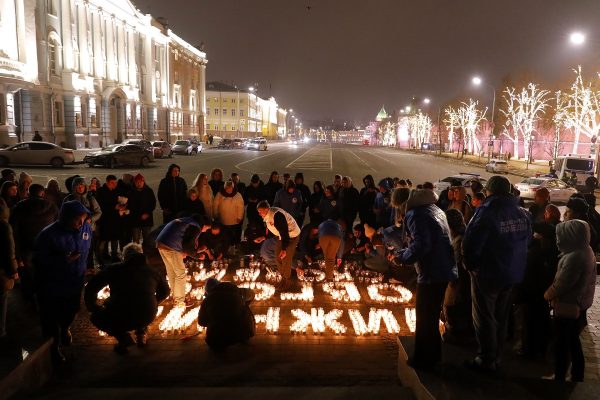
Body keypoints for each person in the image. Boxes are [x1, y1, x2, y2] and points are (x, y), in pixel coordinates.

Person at [463, 175, 531, 372]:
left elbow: (472, 243)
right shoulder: (522, 213)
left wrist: (470, 265)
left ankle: (485, 359)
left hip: (488, 272)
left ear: (489, 191)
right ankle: (496, 356)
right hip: (512, 273)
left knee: (484, 317)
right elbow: (527, 242)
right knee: (500, 316)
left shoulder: (486, 213)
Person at [389, 189, 457, 370]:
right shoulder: (434, 209)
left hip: (431, 271)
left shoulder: (415, 214)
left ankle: (423, 359)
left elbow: (422, 244)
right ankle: (433, 356)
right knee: (431, 316)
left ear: (403, 204)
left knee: (425, 317)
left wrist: (402, 258)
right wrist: (403, 253)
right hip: (444, 268)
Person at [33, 200, 93, 363]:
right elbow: (39, 262)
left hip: (75, 281)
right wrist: (63, 260)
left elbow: (87, 248)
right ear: (66, 218)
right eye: (77, 220)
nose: (81, 224)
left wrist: (85, 268)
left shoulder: (85, 228)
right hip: (53, 285)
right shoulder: (48, 235)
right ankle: (54, 351)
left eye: (84, 219)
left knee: (72, 311)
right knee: (51, 319)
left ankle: (65, 328)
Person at [84, 243, 170, 354]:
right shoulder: (153, 271)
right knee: (140, 305)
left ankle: (124, 338)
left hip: (120, 313)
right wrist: (153, 301)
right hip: (147, 315)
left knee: (96, 317)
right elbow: (166, 292)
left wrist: (92, 306)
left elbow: (92, 286)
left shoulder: (113, 269)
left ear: (124, 257)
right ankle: (141, 333)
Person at [544, 219, 596, 382]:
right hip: (576, 304)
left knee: (562, 344)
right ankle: (576, 374)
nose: (558, 239)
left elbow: (562, 284)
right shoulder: (585, 250)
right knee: (573, 341)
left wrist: (547, 294)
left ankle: (560, 376)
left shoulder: (574, 257)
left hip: (567, 305)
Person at [515, 222, 558, 359]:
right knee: (539, 321)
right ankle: (539, 348)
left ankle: (529, 350)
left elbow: (526, 275)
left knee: (530, 323)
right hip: (541, 295)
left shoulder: (535, 253)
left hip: (533, 294)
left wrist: (519, 295)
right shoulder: (552, 252)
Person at [10, 184, 58, 301]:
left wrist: (17, 256)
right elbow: (58, 227)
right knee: (45, 273)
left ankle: (29, 298)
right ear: (42, 194)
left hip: (25, 247)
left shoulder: (19, 207)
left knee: (27, 275)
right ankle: (43, 298)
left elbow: (13, 232)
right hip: (47, 247)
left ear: (29, 193)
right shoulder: (52, 207)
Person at [156, 214, 211, 307]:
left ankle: (176, 297)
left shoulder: (187, 220)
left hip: (161, 243)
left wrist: (193, 252)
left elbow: (185, 242)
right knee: (180, 274)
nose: (205, 231)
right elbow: (187, 246)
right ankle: (179, 301)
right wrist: (197, 256)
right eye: (206, 228)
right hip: (171, 246)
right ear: (204, 225)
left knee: (172, 272)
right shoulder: (196, 226)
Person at [198, 278, 255, 350]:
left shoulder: (207, 300)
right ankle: (243, 338)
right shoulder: (237, 291)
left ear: (207, 291)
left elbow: (202, 322)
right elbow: (252, 293)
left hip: (219, 338)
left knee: (213, 340)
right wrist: (245, 304)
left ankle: (220, 348)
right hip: (242, 333)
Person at [255, 201, 301, 291]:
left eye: (261, 211)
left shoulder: (277, 216)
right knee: (277, 257)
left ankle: (287, 281)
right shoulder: (268, 216)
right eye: (258, 211)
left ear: (267, 209)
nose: (259, 214)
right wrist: (264, 237)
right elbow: (276, 231)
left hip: (292, 235)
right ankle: (282, 278)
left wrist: (284, 249)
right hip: (283, 236)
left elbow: (284, 233)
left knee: (286, 258)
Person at [441, 209, 472, 342]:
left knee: (452, 304)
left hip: (458, 282)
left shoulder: (460, 241)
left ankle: (455, 334)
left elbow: (457, 265)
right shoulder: (460, 236)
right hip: (460, 281)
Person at [96, 175, 125, 261]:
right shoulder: (101, 191)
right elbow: (100, 205)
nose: (115, 184)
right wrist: (114, 207)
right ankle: (102, 256)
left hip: (115, 220)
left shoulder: (116, 191)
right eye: (112, 183)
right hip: (105, 220)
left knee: (115, 238)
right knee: (104, 239)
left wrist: (121, 206)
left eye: (115, 182)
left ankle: (114, 255)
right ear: (107, 182)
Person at [0, 198, 17, 340]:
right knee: (2, 298)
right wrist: (13, 271)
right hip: (1, 270)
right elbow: (9, 251)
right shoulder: (4, 226)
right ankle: (1, 330)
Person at [213, 180, 245, 247]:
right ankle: (225, 246)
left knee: (233, 234)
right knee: (225, 234)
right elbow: (215, 205)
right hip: (223, 218)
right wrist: (215, 215)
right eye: (227, 189)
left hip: (234, 219)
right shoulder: (219, 195)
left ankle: (233, 245)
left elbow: (241, 207)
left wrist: (239, 217)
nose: (229, 191)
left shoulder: (237, 195)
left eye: (230, 189)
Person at [127, 174, 156, 244]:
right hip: (135, 220)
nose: (139, 183)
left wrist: (147, 213)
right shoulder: (130, 192)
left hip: (147, 220)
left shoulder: (149, 191)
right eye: (137, 182)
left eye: (140, 181)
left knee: (147, 239)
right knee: (136, 240)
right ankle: (137, 254)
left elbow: (153, 204)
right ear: (134, 182)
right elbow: (129, 205)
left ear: (143, 182)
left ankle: (147, 254)